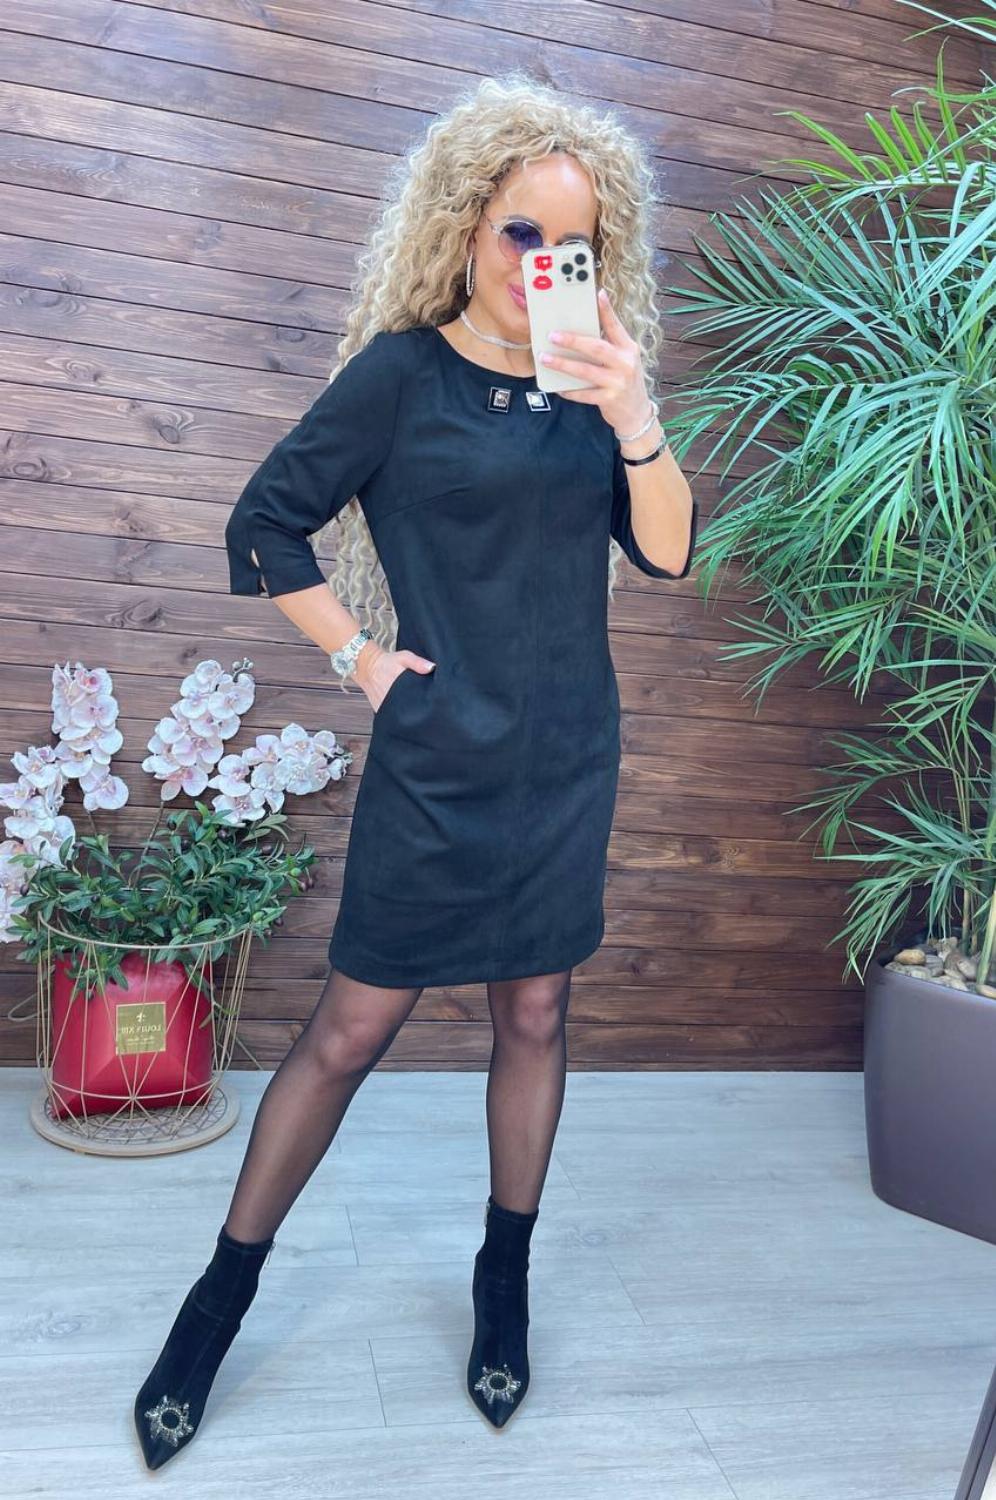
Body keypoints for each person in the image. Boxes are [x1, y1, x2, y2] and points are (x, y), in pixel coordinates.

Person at [132, 71, 697, 1468]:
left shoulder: (593, 389)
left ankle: (502, 1284)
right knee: (348, 1033)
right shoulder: (399, 375)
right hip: (441, 760)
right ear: (463, 223)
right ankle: (216, 1305)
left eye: (571, 245)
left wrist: (636, 414)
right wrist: (359, 659)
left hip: (567, 757)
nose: (538, 262)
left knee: (537, 1016)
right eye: (519, 231)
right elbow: (266, 523)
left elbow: (670, 552)